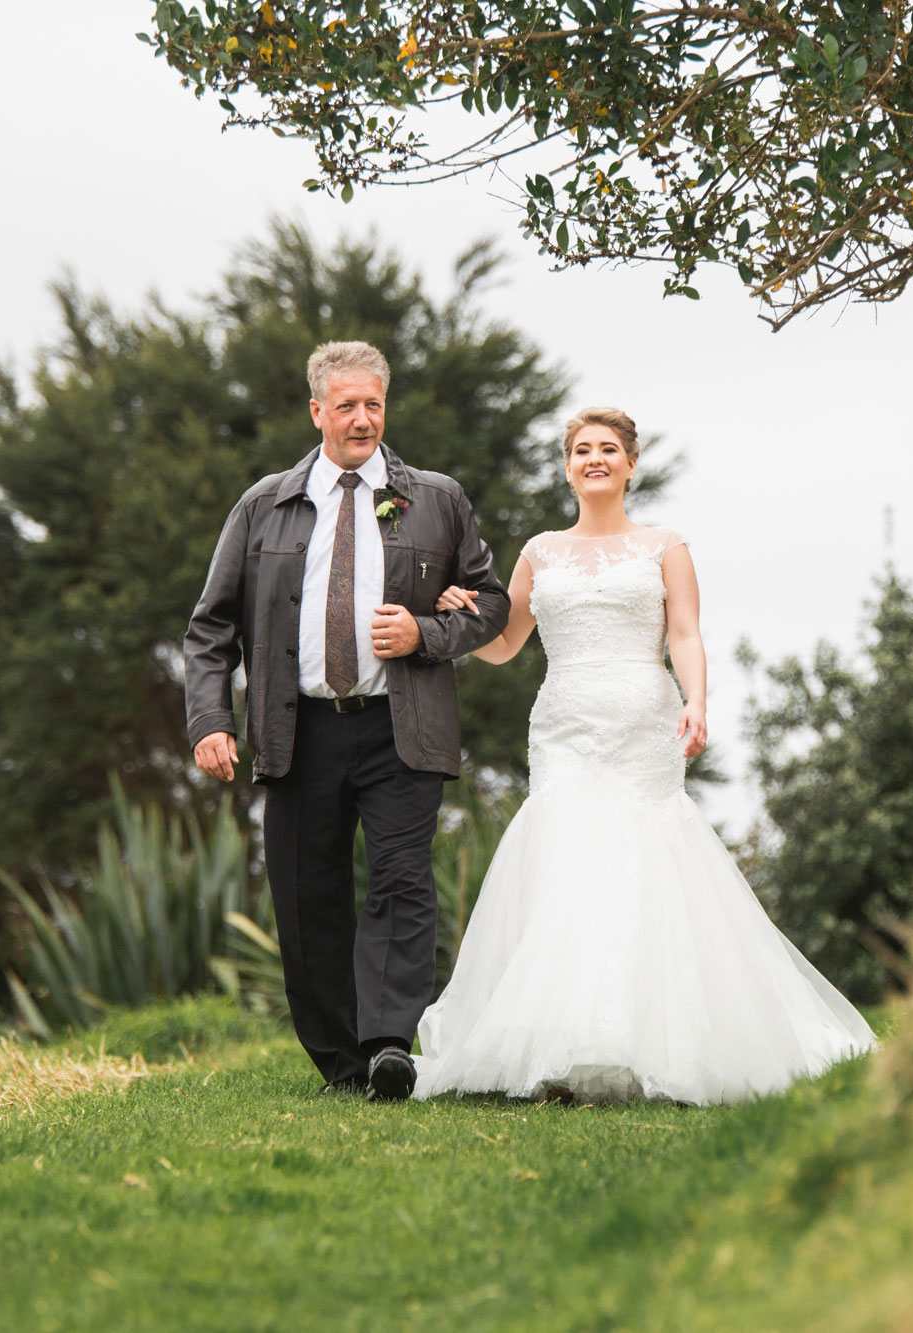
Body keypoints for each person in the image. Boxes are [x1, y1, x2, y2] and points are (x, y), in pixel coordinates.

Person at [414, 407, 875, 1104]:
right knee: (568, 862)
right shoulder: (540, 551)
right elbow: (507, 643)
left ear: (631, 464)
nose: (593, 458)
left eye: (607, 449)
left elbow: (685, 634)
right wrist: (461, 617)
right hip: (564, 727)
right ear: (567, 467)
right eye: (580, 450)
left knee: (642, 858)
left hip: (643, 724)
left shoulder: (665, 545)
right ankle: (561, 1043)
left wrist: (697, 701)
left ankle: (647, 1037)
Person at [181, 340, 510, 1101]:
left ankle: (390, 1045)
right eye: (348, 405)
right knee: (307, 895)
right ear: (317, 411)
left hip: (402, 724)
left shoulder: (437, 497)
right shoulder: (265, 503)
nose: (363, 419)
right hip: (297, 731)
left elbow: (490, 604)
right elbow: (210, 627)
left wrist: (427, 634)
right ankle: (340, 1063)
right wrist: (209, 720)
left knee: (400, 880)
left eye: (375, 404)